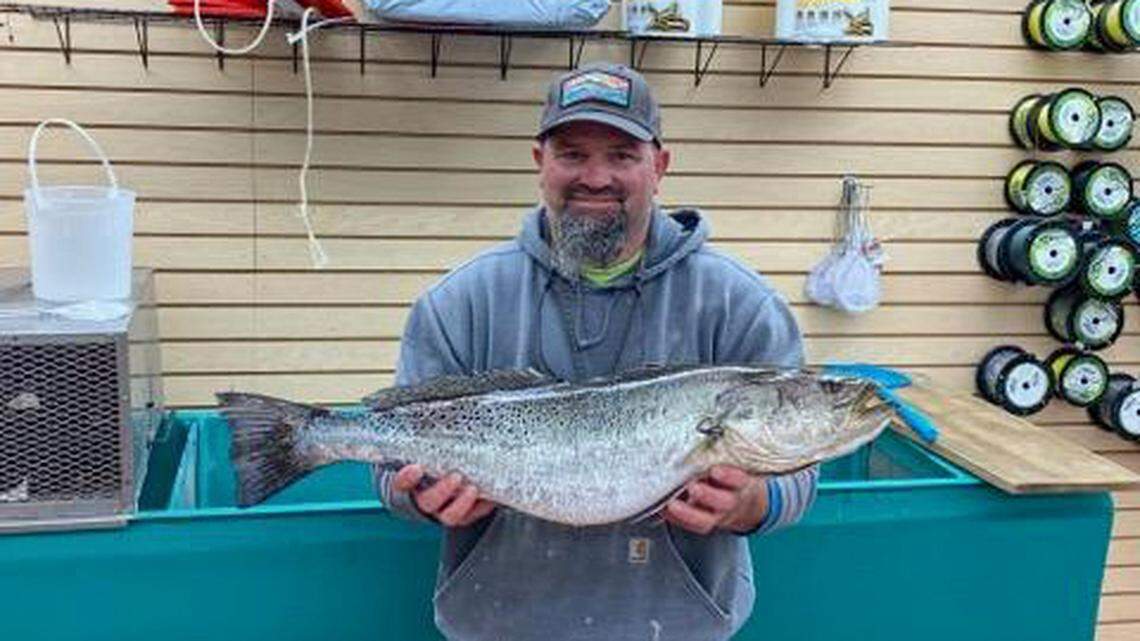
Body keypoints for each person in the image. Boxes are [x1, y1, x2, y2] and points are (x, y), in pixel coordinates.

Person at [376, 62, 819, 641]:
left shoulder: (741, 304)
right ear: (540, 162)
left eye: (621, 155)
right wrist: (421, 498)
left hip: (677, 626)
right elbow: (387, 465)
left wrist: (755, 502)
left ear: (659, 166)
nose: (595, 176)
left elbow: (801, 474)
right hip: (498, 624)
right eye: (573, 153)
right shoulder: (460, 302)